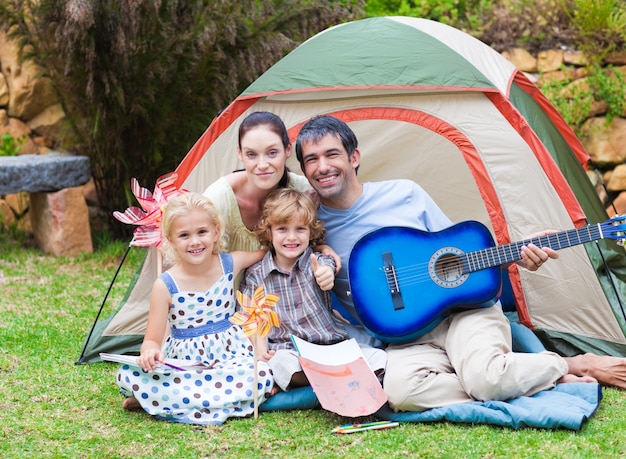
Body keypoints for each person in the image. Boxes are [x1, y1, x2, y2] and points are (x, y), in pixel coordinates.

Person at [294, 115, 626, 412]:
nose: (322, 167)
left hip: (463, 314)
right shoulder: (306, 223)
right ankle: (523, 376)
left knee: (485, 380)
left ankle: (571, 365)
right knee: (401, 393)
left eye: (331, 154)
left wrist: (518, 257)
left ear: (354, 157)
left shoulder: (404, 194)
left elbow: (454, 254)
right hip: (406, 336)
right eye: (311, 160)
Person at [116, 192, 273, 425]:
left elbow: (271, 252)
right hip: (184, 362)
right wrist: (149, 353)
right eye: (184, 235)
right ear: (170, 240)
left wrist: (320, 248)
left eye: (202, 232)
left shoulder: (230, 263)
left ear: (216, 231)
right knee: (127, 374)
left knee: (260, 373)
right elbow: (151, 340)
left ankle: (164, 401)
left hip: (229, 354)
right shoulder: (165, 285)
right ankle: (205, 398)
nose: (195, 241)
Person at [239, 188, 386, 392]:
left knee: (379, 357)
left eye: (300, 229)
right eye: (282, 229)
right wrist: (260, 349)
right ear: (269, 232)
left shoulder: (316, 262)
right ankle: (336, 378)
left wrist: (326, 275)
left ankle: (330, 377)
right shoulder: (257, 274)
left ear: (311, 232)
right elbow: (251, 318)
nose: (292, 237)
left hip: (330, 346)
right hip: (290, 350)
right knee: (280, 364)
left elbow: (328, 268)